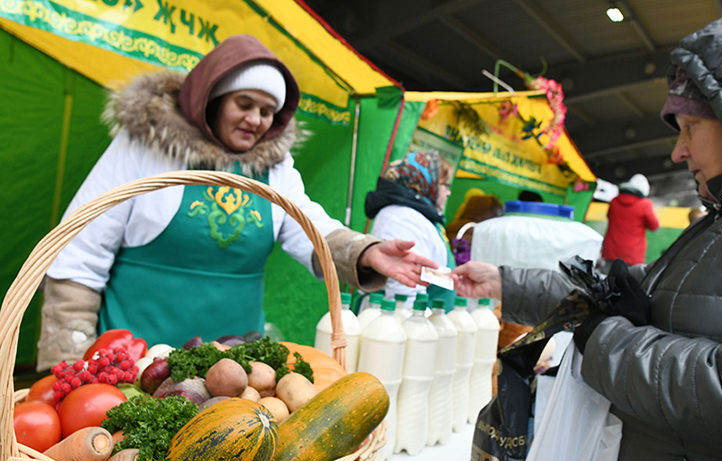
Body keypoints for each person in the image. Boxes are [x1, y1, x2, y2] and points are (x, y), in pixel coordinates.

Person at [452, 8, 722, 461]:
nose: (678, 152)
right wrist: (507, 282)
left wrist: (600, 340)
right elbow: (627, 289)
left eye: (689, 128)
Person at [37, 34, 438, 371]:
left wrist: (365, 253)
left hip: (232, 374)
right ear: (212, 100)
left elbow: (309, 228)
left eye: (268, 111)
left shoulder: (275, 169)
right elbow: (79, 251)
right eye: (244, 104)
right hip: (136, 366)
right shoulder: (147, 148)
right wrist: (70, 358)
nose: (256, 120)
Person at [363, 150, 455, 309]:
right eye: (445, 185)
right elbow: (404, 293)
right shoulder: (402, 219)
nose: (448, 192)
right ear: (427, 182)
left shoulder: (416, 216)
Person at [599, 173, 660, 269]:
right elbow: (654, 226)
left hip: (611, 250)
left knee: (608, 281)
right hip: (633, 254)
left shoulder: (614, 201)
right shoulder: (645, 204)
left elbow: (609, 216)